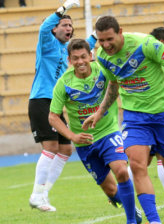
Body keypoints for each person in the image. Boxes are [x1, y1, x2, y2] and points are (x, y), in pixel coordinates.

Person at [82, 16, 164, 223]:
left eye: (109, 39)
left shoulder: (146, 44)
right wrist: (100, 111)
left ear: (120, 32)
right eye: (101, 41)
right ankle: (154, 220)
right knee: (137, 165)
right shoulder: (103, 56)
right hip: (135, 116)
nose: (105, 45)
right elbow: (113, 85)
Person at [48, 38, 142, 224]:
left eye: (83, 56)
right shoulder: (63, 83)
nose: (80, 61)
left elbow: (117, 85)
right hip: (84, 142)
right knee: (110, 189)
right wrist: (73, 136)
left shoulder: (103, 72)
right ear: (69, 60)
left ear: (90, 55)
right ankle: (127, 207)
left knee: (121, 171)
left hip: (108, 132)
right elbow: (53, 117)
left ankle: (131, 220)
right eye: (75, 58)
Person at [28, 0, 97, 212]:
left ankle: (43, 194)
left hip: (55, 105)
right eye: (64, 25)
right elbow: (43, 27)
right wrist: (63, 9)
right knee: (51, 147)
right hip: (41, 101)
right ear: (54, 28)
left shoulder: (65, 48)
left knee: (66, 149)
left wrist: (97, 33)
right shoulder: (47, 42)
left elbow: (85, 47)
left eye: (70, 25)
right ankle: (36, 195)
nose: (69, 28)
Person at [127, 27, 164, 205]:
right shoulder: (151, 59)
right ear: (161, 44)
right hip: (143, 117)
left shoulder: (160, 61)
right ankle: (127, 196)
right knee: (140, 161)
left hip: (163, 115)